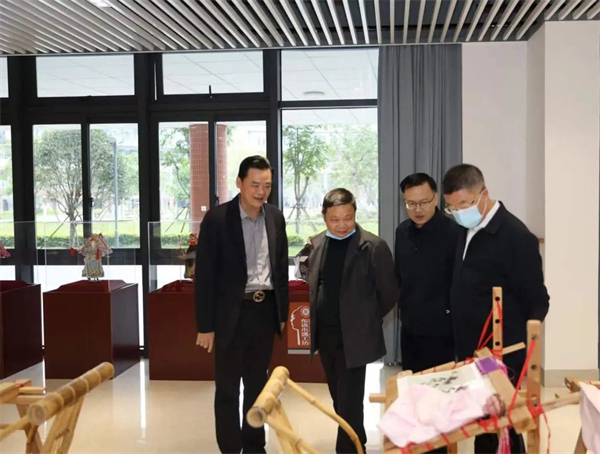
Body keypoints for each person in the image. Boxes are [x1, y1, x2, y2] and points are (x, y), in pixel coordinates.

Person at [442, 164, 550, 454]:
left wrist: (517, 354)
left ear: (484, 195)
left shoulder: (516, 237)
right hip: (471, 348)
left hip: (501, 353)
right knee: (486, 423)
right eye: (452, 208)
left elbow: (538, 300)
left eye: (464, 205)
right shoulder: (465, 228)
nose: (458, 213)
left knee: (501, 422)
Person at [195, 156, 289, 454]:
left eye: (267, 185)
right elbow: (205, 276)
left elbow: (281, 269)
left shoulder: (275, 217)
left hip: (264, 311)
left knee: (257, 385)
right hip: (230, 315)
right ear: (239, 183)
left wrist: (282, 312)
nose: (261, 191)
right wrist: (205, 326)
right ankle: (230, 448)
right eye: (255, 185)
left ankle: (254, 445)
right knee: (227, 388)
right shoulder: (217, 219)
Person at [308, 188, 398, 454]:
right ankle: (358, 442)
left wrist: (364, 319)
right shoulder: (317, 244)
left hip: (354, 338)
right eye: (335, 219)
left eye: (347, 218)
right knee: (339, 399)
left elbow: (389, 294)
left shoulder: (372, 246)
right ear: (324, 216)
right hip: (326, 335)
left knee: (349, 402)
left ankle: (348, 450)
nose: (342, 225)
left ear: (355, 213)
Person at [395, 173, 459, 374]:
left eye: (423, 202)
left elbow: (459, 282)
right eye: (411, 204)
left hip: (442, 329)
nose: (418, 209)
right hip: (410, 327)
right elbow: (399, 275)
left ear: (436, 198)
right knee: (411, 385)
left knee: (439, 386)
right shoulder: (402, 231)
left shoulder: (454, 232)